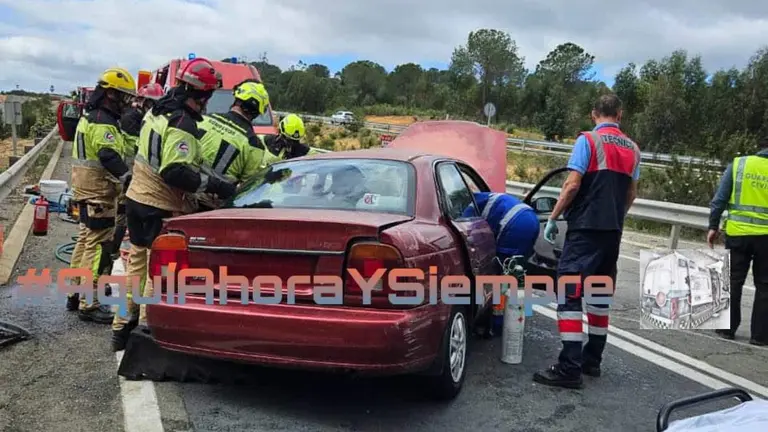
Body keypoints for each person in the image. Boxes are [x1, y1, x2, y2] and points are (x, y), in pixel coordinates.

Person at [111, 58, 236, 351]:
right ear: (202, 95)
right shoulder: (183, 125)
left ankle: (120, 330)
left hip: (136, 200)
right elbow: (174, 171)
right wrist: (213, 186)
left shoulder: (158, 110)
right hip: (159, 206)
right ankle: (144, 335)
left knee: (136, 267)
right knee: (157, 273)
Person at [533, 94, 641, 389]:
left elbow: (572, 185)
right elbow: (631, 194)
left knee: (569, 294)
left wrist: (554, 217)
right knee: (599, 296)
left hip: (584, 230)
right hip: (612, 233)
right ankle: (592, 360)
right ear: (619, 114)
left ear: (594, 114)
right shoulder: (633, 149)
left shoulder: (588, 142)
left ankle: (569, 367)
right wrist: (616, 218)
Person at [66, 68, 136, 323]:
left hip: (85, 190)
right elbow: (107, 155)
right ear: (110, 94)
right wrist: (126, 177)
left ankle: (75, 291)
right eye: (124, 97)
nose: (127, 103)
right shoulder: (103, 122)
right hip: (99, 194)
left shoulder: (90, 116)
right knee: (98, 248)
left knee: (84, 242)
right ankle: (89, 302)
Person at [708, 137, 768, 346]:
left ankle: (727, 329)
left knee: (734, 280)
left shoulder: (740, 164)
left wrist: (713, 226)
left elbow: (719, 200)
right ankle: (760, 336)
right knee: (765, 285)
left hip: (739, 234)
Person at [108, 83, 164, 266]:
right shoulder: (134, 120)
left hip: (132, 176)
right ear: (142, 101)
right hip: (129, 176)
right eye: (150, 102)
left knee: (126, 221)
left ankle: (111, 253)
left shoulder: (139, 118)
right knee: (122, 219)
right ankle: (110, 253)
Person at [196, 80, 271, 211]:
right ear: (258, 111)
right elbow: (247, 188)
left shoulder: (204, 119)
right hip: (212, 208)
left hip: (183, 193)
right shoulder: (254, 144)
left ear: (237, 99)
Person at [465, 192, 539, 262]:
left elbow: (465, 229)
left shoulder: (470, 205)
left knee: (502, 264)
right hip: (532, 217)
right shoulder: (485, 196)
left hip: (514, 222)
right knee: (520, 260)